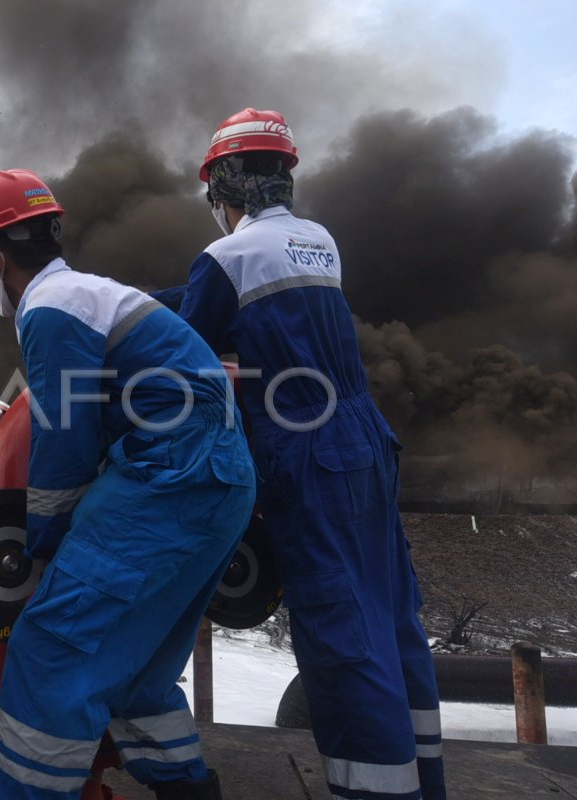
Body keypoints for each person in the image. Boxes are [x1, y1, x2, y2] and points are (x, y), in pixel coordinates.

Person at [152, 108, 446, 800]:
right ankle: (424, 781)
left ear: (223, 186)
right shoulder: (319, 242)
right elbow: (254, 308)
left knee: (343, 632)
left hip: (309, 455)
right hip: (366, 442)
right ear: (282, 177)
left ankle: (375, 791)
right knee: (389, 611)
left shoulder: (227, 256)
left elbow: (184, 345)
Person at [0, 170, 256, 800]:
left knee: (52, 648)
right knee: (138, 665)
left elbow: (64, 437)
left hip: (170, 477)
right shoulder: (93, 293)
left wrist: (39, 543)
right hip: (219, 479)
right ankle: (187, 789)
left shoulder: (50, 309)